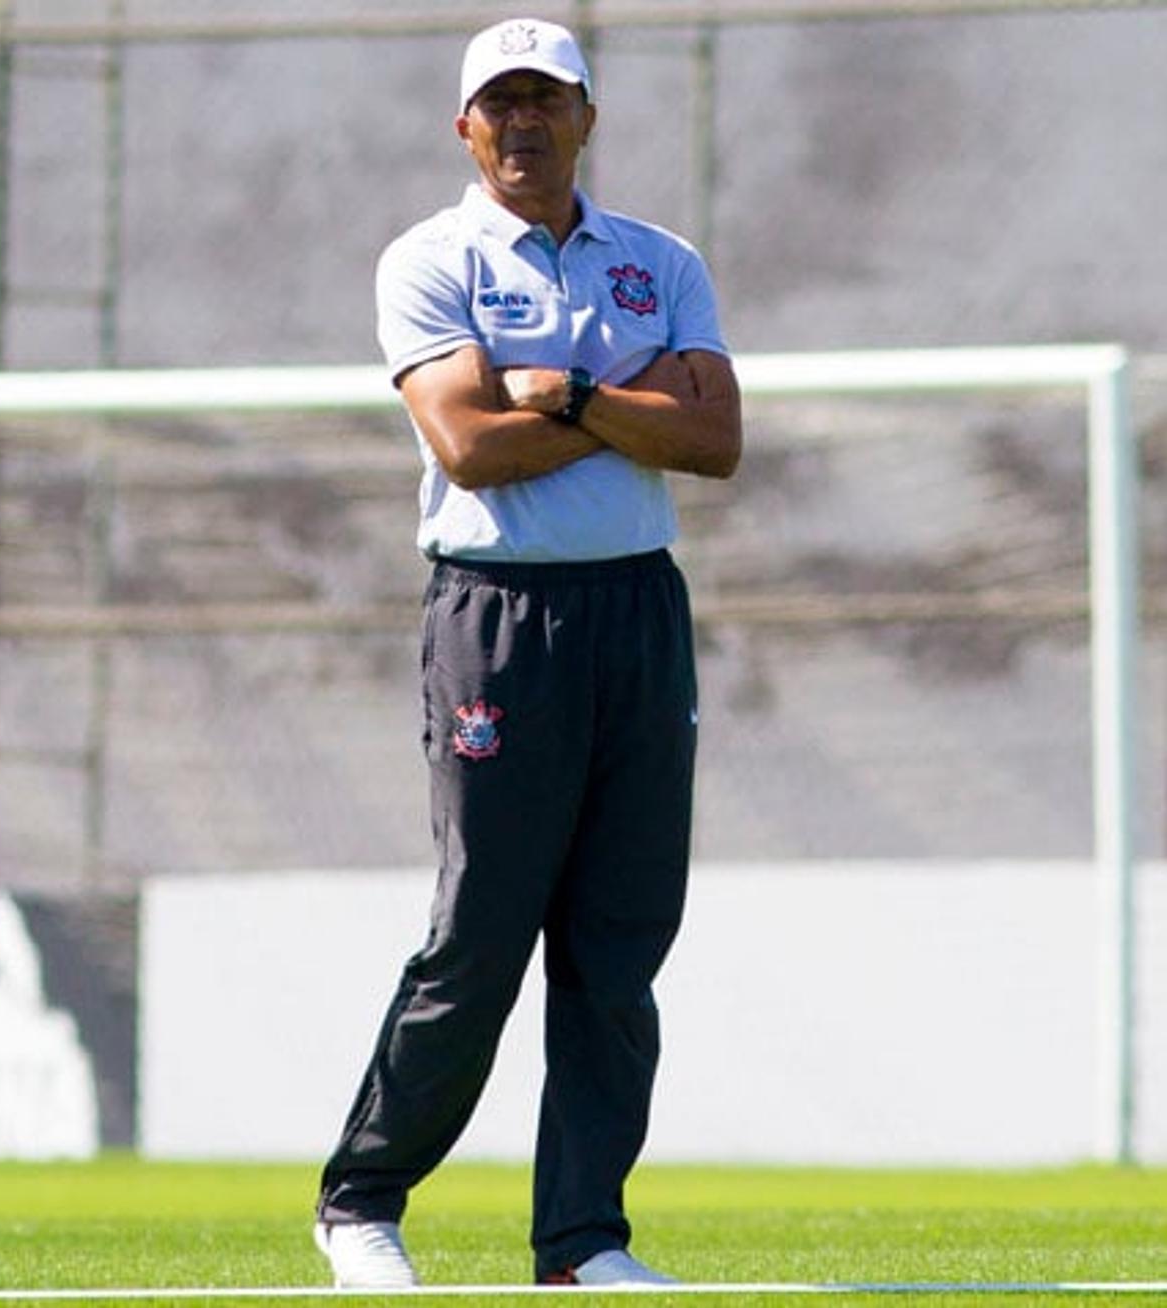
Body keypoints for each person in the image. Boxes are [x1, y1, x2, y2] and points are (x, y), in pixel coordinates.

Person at [312, 16, 742, 1290]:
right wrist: (628, 405)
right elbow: (469, 447)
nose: (524, 123)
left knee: (619, 942)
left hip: (637, 614)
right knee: (481, 933)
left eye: (547, 100)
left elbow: (714, 440)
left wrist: (557, 390)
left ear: (587, 118)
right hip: (497, 617)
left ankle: (583, 1243)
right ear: (465, 126)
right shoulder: (429, 260)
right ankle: (362, 1202)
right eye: (500, 104)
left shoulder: (660, 261)